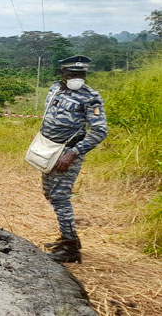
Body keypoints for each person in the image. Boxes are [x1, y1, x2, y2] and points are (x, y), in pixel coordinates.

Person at [37, 55, 107, 263]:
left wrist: (73, 153)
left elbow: (99, 131)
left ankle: (71, 248)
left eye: (81, 74)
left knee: (60, 196)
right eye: (72, 74)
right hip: (49, 149)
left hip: (68, 153)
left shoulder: (90, 97)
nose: (77, 77)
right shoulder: (55, 89)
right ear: (63, 74)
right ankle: (66, 237)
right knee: (49, 193)